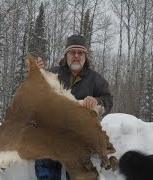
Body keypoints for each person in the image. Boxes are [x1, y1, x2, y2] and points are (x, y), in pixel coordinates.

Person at [34, 34, 113, 180]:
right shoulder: (52, 73)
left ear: (85, 56)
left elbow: (108, 100)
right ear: (66, 55)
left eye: (80, 52)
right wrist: (35, 74)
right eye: (72, 52)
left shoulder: (95, 79)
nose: (76, 56)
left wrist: (97, 101)